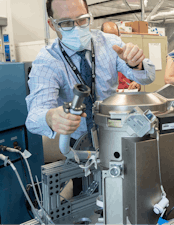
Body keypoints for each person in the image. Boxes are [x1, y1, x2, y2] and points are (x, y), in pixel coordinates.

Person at [25, 0, 155, 150]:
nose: (77, 28)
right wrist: (50, 117)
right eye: (66, 23)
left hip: (115, 130)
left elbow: (148, 78)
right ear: (52, 25)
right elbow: (34, 118)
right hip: (78, 140)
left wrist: (136, 65)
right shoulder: (48, 61)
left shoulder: (109, 43)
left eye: (82, 19)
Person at [101, 21, 141, 91]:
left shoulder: (125, 52)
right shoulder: (95, 57)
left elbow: (136, 76)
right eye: (108, 37)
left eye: (115, 37)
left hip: (126, 97)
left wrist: (136, 83)